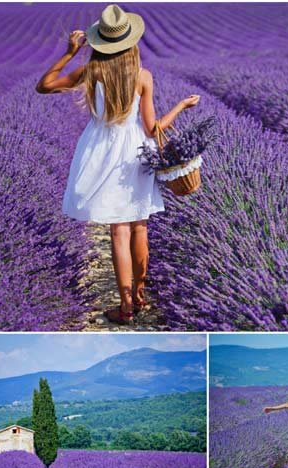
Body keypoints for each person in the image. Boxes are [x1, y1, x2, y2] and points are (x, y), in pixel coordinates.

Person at [36, 5, 201, 323]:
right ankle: (138, 298)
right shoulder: (142, 76)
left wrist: (70, 52)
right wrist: (181, 106)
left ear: (100, 43)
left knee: (118, 232)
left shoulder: (91, 72)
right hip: (135, 153)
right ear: (130, 42)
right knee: (139, 226)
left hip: (100, 152)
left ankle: (125, 308)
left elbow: (44, 86)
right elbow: (153, 129)